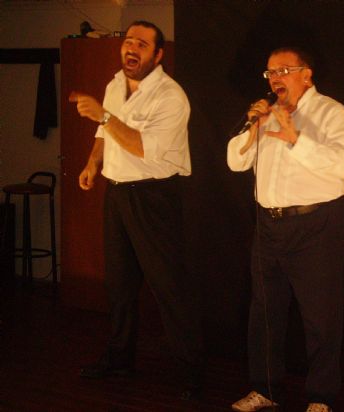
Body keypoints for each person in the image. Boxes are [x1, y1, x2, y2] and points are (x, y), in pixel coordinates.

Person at [71, 20, 203, 400]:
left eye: (142, 44)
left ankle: (192, 370)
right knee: (119, 285)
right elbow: (104, 132)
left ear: (157, 55)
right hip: (116, 193)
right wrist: (93, 163)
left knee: (168, 287)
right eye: (128, 41)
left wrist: (104, 117)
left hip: (153, 197)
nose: (132, 48)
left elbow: (143, 146)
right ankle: (120, 359)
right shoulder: (114, 84)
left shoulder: (170, 96)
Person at [227, 47, 344, 412]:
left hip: (316, 225)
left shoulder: (332, 113)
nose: (275, 78)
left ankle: (321, 397)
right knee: (265, 312)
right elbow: (234, 161)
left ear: (307, 74)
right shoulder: (266, 114)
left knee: (321, 316)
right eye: (270, 72)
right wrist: (254, 128)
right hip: (269, 224)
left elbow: (341, 166)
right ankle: (265, 389)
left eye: (285, 70)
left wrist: (297, 140)